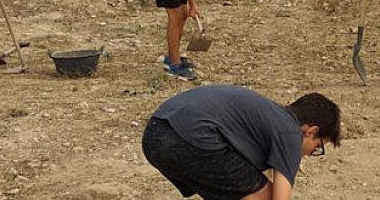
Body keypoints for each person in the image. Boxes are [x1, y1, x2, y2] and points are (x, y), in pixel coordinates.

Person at [142, 86, 340, 200]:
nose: (309, 153)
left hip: (155, 133)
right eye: (317, 147)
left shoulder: (268, 118)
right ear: (311, 131)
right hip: (189, 138)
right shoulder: (290, 131)